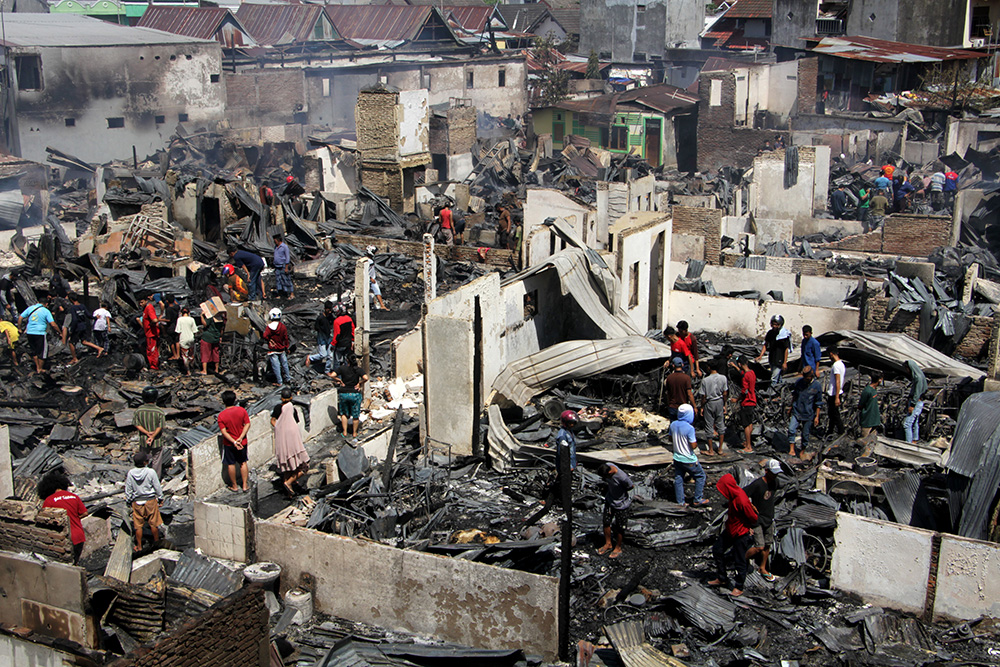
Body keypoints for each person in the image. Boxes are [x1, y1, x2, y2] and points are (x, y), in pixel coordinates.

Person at [524, 410, 578, 526]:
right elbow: (562, 453)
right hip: (565, 464)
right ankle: (554, 501)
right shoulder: (562, 436)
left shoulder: (569, 432)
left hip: (570, 462)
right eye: (570, 423)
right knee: (561, 482)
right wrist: (567, 466)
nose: (572, 425)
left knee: (563, 482)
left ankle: (556, 499)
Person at [708, 473, 758, 597]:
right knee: (717, 550)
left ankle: (739, 586)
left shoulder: (741, 499)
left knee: (739, 560)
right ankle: (722, 577)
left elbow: (753, 517)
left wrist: (748, 527)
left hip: (740, 533)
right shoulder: (733, 496)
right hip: (731, 529)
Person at [38, 470, 88, 564]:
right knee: (75, 563)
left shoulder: (49, 500)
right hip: (79, 536)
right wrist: (75, 517)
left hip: (64, 539)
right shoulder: (74, 496)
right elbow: (85, 513)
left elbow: (45, 519)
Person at [744, 460, 781, 582]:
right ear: (766, 471)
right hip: (757, 520)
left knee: (767, 545)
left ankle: (762, 567)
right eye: (773, 473)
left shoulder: (775, 483)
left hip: (768, 518)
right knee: (759, 546)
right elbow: (743, 494)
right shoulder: (758, 484)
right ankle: (741, 560)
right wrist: (751, 506)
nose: (775, 476)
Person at [271, 387, 310, 497]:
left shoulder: (278, 408)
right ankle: (289, 482)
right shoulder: (292, 409)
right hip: (292, 440)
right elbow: (296, 422)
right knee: (304, 466)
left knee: (287, 465)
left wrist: (280, 428)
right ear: (291, 398)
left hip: (282, 440)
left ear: (281, 398)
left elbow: (273, 421)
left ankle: (288, 491)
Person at [670, 403, 709, 507]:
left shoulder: (673, 424)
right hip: (688, 459)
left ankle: (680, 502)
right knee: (700, 476)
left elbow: (670, 439)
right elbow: (693, 445)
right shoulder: (690, 428)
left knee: (679, 478)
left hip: (677, 457)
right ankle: (697, 499)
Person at [124, 451, 163, 553]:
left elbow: (128, 489)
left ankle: (139, 546)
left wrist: (129, 500)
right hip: (150, 500)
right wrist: (160, 497)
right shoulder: (151, 472)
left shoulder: (131, 473)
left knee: (138, 526)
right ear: (145, 462)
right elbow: (157, 486)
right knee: (153, 523)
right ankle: (156, 544)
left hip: (137, 501)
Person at [596, 463, 633, 559]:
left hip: (621, 504)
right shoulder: (608, 465)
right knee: (606, 522)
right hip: (610, 500)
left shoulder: (622, 477)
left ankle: (618, 547)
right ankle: (608, 543)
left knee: (620, 526)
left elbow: (630, 486)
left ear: (610, 472)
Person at [329, 352, 367, 439]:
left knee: (344, 414)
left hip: (344, 393)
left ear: (347, 360)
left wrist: (339, 380)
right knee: (355, 415)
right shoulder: (358, 369)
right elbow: (366, 378)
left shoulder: (342, 368)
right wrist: (359, 383)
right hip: (355, 394)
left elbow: (332, 375)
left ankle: (345, 432)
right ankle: (354, 433)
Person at [218, 390, 250, 491]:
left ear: (223, 401)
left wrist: (234, 441)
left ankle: (234, 486)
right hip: (242, 442)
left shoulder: (221, 416)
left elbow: (224, 432)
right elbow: (247, 424)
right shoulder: (241, 410)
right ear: (234, 400)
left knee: (230, 464)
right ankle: (245, 485)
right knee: (243, 462)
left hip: (229, 444)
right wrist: (240, 438)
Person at [19, 297, 60, 375]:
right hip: (40, 333)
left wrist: (20, 328)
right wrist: (59, 332)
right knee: (42, 351)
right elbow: (53, 324)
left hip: (30, 332)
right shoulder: (46, 311)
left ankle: (37, 367)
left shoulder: (30, 308)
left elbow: (20, 317)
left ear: (38, 302)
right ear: (46, 304)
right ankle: (40, 368)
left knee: (34, 351)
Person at [788, 365, 822, 458]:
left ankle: (802, 450)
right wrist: (791, 407)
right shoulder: (799, 383)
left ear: (811, 377)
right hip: (797, 410)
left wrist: (817, 416)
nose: (805, 380)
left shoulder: (817, 386)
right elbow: (795, 396)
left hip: (808, 413)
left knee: (805, 434)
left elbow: (818, 402)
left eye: (807, 378)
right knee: (791, 429)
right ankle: (791, 449)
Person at [133, 386, 166, 477]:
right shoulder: (159, 411)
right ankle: (155, 479)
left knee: (143, 459)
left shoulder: (139, 411)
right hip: (157, 440)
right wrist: (153, 436)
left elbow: (136, 424)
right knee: (157, 460)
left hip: (144, 439)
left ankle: (143, 477)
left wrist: (147, 433)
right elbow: (161, 426)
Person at [698, 360, 728, 456]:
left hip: (710, 402)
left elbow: (703, 396)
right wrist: (724, 404)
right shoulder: (723, 378)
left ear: (709, 368)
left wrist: (702, 407)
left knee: (709, 425)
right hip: (719, 401)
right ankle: (720, 449)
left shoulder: (705, 380)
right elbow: (725, 393)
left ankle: (711, 450)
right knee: (720, 425)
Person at [733, 355, 757, 453]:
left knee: (746, 425)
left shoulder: (745, 376)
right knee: (750, 423)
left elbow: (744, 391)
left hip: (747, 401)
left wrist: (737, 399)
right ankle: (748, 443)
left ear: (740, 364)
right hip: (752, 400)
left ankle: (748, 447)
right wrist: (736, 367)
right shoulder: (752, 373)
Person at [64, 293, 98, 364]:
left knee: (71, 342)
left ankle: (74, 358)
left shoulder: (73, 308)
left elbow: (74, 319)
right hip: (83, 326)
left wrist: (71, 330)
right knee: (84, 341)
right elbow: (88, 315)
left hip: (77, 327)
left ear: (71, 300)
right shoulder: (82, 306)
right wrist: (95, 317)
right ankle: (99, 348)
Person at [758, 315, 791, 386]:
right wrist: (761, 355)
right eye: (773, 324)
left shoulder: (783, 335)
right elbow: (765, 344)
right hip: (772, 358)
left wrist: (785, 362)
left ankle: (772, 393)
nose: (774, 326)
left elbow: (786, 349)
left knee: (774, 378)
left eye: (777, 324)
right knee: (778, 377)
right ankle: (780, 392)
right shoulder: (770, 333)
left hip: (779, 360)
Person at [263, 307, 290, 386]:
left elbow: (265, 335)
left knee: (276, 366)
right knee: (284, 364)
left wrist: (269, 340)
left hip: (273, 349)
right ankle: (288, 378)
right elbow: (286, 338)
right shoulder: (282, 327)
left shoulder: (269, 327)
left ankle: (279, 382)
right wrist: (286, 347)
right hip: (281, 349)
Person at [903, 360, 927, 443]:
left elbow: (917, 393)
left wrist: (912, 405)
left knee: (907, 424)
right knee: (915, 422)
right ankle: (915, 439)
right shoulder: (919, 376)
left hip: (916, 403)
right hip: (918, 402)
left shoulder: (918, 378)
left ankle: (909, 443)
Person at [306, 302, 334, 370]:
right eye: (328, 310)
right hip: (322, 338)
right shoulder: (320, 318)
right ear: (325, 309)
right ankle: (310, 357)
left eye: (330, 310)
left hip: (329, 337)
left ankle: (327, 370)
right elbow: (316, 327)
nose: (330, 312)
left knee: (330, 355)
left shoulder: (331, 317)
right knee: (323, 355)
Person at [138, 294, 160, 371]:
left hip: (151, 333)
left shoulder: (149, 308)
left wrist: (151, 325)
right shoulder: (146, 308)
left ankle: (154, 366)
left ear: (146, 301)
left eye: (142, 302)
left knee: (152, 350)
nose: (140, 304)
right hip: (148, 333)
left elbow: (154, 320)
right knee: (150, 349)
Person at [827, 347, 846, 436]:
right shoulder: (841, 364)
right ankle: (830, 432)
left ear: (831, 354)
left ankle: (841, 432)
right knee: (832, 415)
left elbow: (837, 381)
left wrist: (837, 397)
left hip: (834, 393)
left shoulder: (836, 366)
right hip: (836, 393)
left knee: (835, 415)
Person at [330, 303, 355, 370]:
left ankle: (338, 377)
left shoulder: (337, 321)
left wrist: (333, 345)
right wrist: (352, 341)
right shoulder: (349, 318)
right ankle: (346, 376)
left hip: (340, 344)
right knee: (346, 360)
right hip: (348, 343)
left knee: (337, 362)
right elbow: (353, 330)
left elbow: (337, 334)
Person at [858, 371, 882, 438]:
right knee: (864, 438)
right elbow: (861, 404)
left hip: (874, 420)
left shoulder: (874, 390)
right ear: (879, 380)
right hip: (867, 420)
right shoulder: (867, 391)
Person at [174, 307, 198, 375]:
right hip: (191, 338)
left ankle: (188, 371)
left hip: (183, 339)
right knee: (191, 354)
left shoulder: (179, 320)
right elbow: (195, 330)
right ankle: (192, 367)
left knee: (185, 356)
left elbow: (178, 331)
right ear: (189, 312)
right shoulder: (192, 319)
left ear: (181, 313)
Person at [200, 311, 224, 375]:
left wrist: (202, 316)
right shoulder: (220, 318)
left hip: (207, 337)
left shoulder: (210, 317)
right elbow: (222, 329)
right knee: (216, 353)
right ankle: (216, 369)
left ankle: (204, 370)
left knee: (205, 353)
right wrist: (220, 336)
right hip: (216, 337)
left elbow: (205, 324)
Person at [272, 234, 294, 299]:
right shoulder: (276, 247)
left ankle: (291, 293)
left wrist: (286, 267)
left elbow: (287, 258)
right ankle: (280, 293)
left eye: (275, 240)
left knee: (286, 279)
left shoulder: (284, 247)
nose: (274, 241)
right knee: (278, 280)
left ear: (278, 240)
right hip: (277, 266)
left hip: (283, 265)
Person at [366, 246, 387, 311]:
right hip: (368, 279)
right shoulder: (367, 261)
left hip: (372, 279)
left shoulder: (370, 260)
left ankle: (382, 305)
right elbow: (364, 271)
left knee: (377, 292)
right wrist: (370, 278)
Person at [159, 295, 180, 362]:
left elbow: (168, 319)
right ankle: (178, 355)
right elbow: (177, 304)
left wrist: (160, 319)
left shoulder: (168, 309)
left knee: (171, 342)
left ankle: (174, 355)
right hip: (176, 325)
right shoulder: (177, 307)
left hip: (170, 327)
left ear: (167, 301)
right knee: (177, 341)